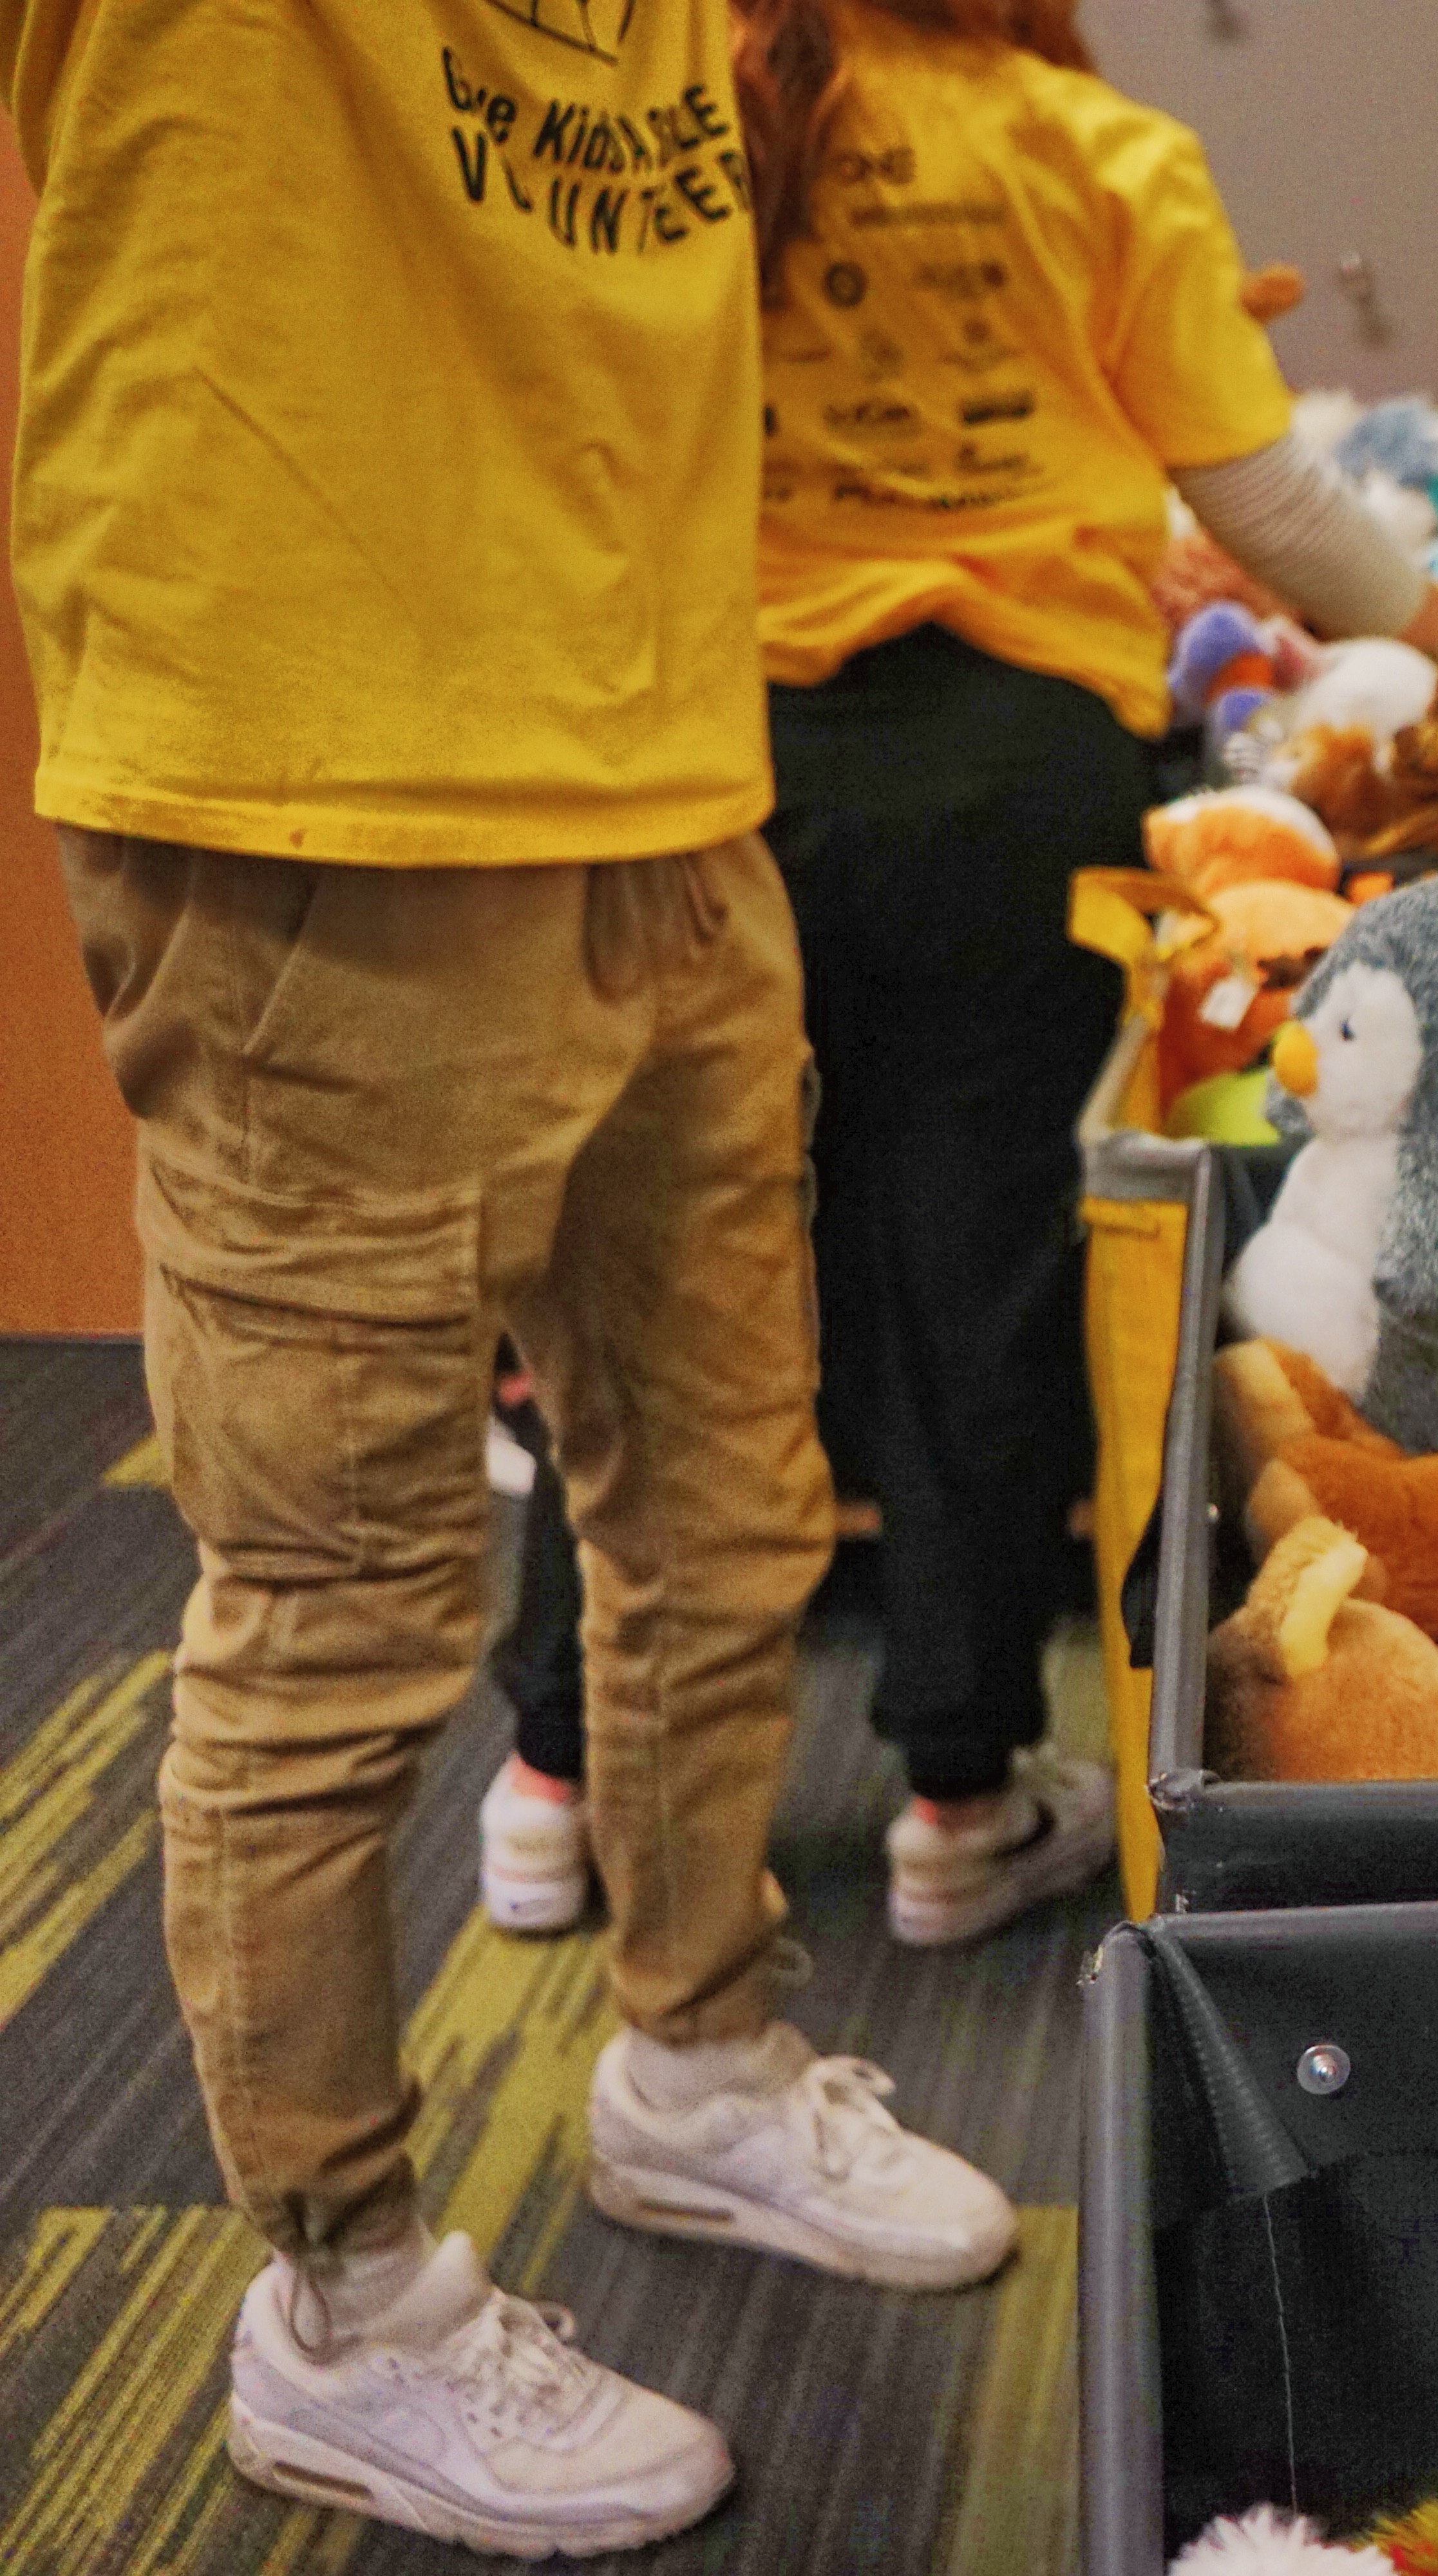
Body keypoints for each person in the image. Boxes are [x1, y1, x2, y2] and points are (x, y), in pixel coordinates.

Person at [15, 2, 1021, 2553]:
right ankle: (339, 2302)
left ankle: (695, 2055)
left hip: (665, 776)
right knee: (341, 1607)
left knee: (725, 1504)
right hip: (310, 812)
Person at [486, 0, 1438, 1956]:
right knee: (974, 1268)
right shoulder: (1089, 150)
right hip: (1003, 771)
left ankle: (550, 1776)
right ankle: (956, 1793)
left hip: (704, 749)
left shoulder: (679, 110)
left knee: (655, 1272)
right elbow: (1266, 504)